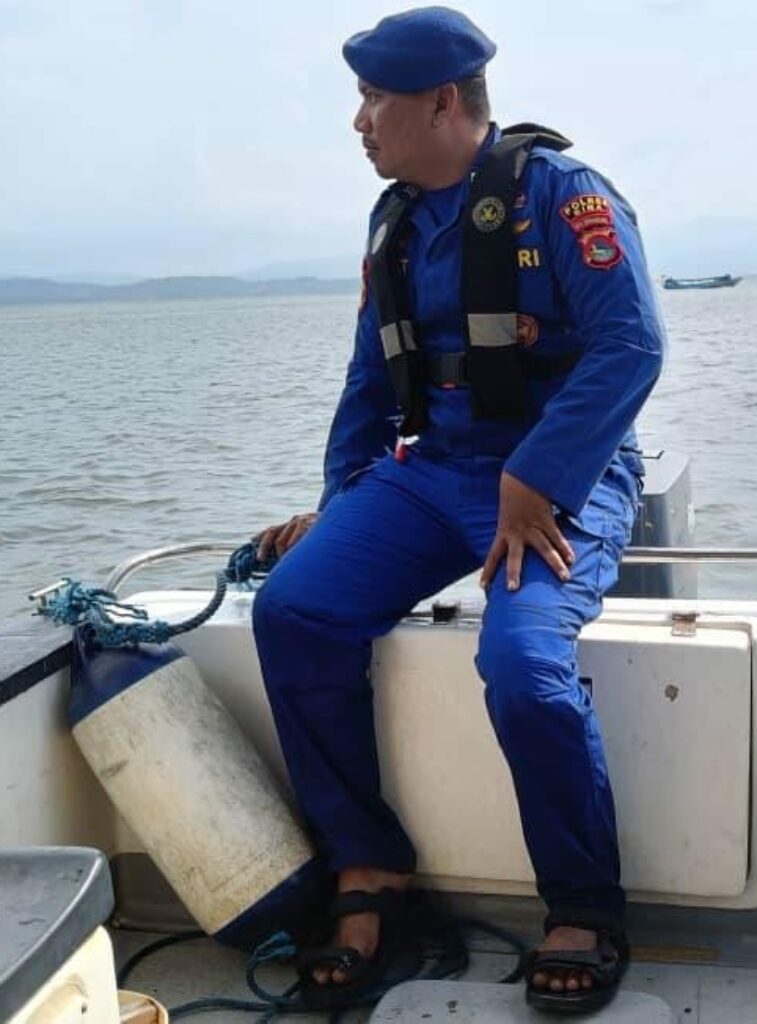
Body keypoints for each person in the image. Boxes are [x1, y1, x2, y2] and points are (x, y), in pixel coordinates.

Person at [252, 6, 664, 1014]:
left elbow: (631, 345)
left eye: (373, 99)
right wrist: (338, 506)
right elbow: (369, 380)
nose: (359, 122)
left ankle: (583, 905)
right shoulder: (393, 220)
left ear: (442, 101)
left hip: (555, 479)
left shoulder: (561, 194)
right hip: (431, 474)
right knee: (294, 610)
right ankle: (370, 870)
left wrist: (539, 476)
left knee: (522, 664)